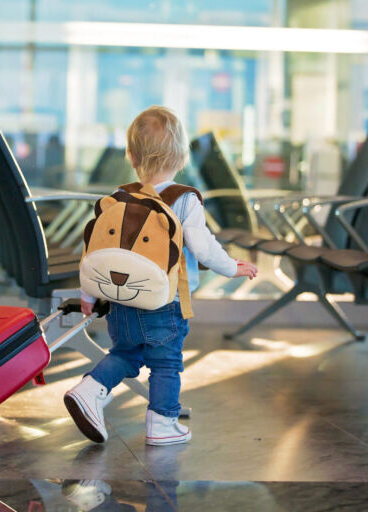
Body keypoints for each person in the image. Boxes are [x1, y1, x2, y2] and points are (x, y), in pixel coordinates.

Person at [64, 106, 258, 446]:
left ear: (130, 155)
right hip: (164, 303)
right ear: (182, 156)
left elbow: (94, 251)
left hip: (120, 300)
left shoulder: (117, 199)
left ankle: (90, 388)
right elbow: (203, 246)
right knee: (166, 364)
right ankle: (163, 423)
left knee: (125, 354)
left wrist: (89, 295)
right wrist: (231, 267)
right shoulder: (184, 201)